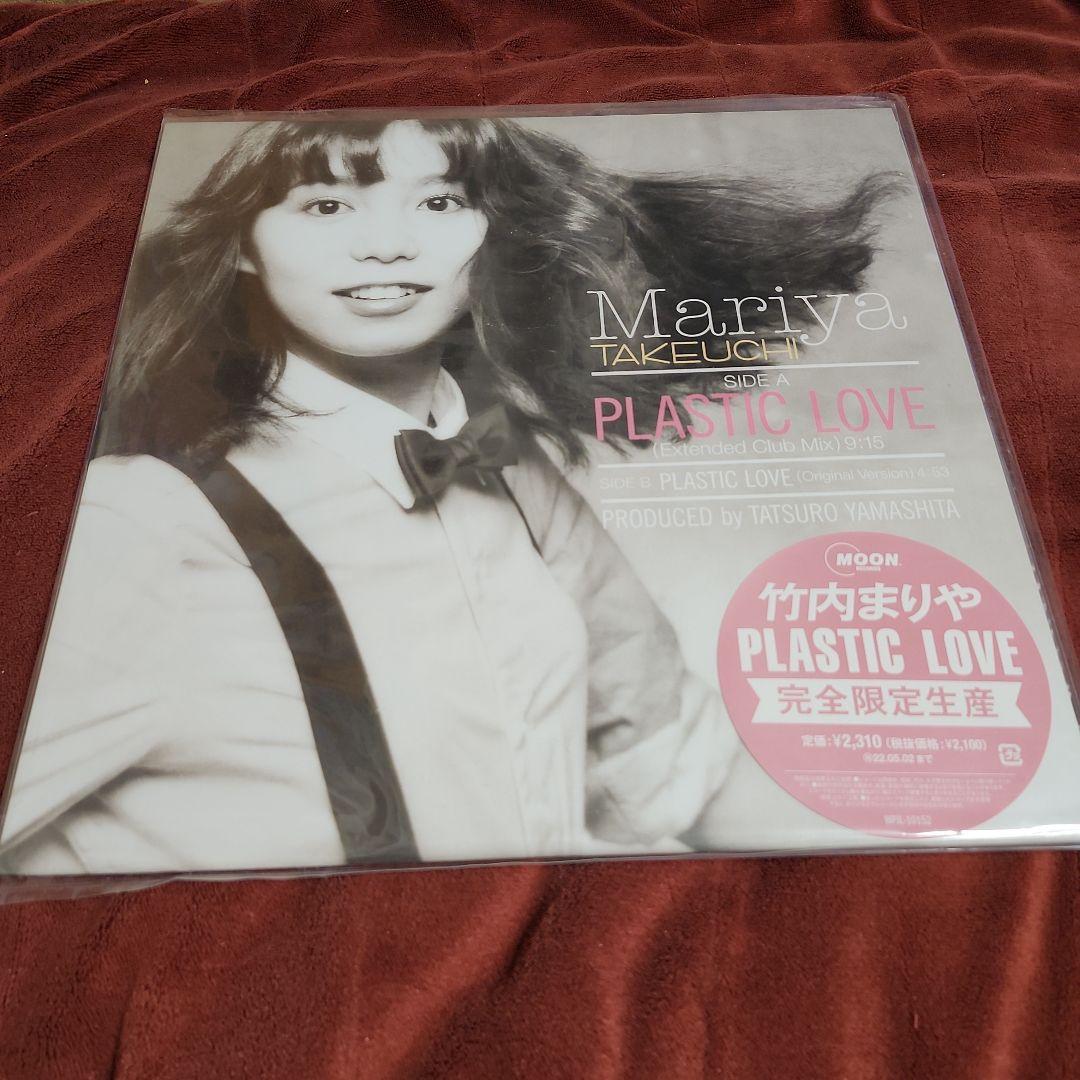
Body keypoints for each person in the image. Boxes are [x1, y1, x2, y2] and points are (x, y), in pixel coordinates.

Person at [0, 116, 892, 875]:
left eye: (438, 203)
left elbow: (675, 763)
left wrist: (905, 864)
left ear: (495, 232)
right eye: (327, 205)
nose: (385, 244)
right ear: (242, 244)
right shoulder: (143, 523)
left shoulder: (509, 474)